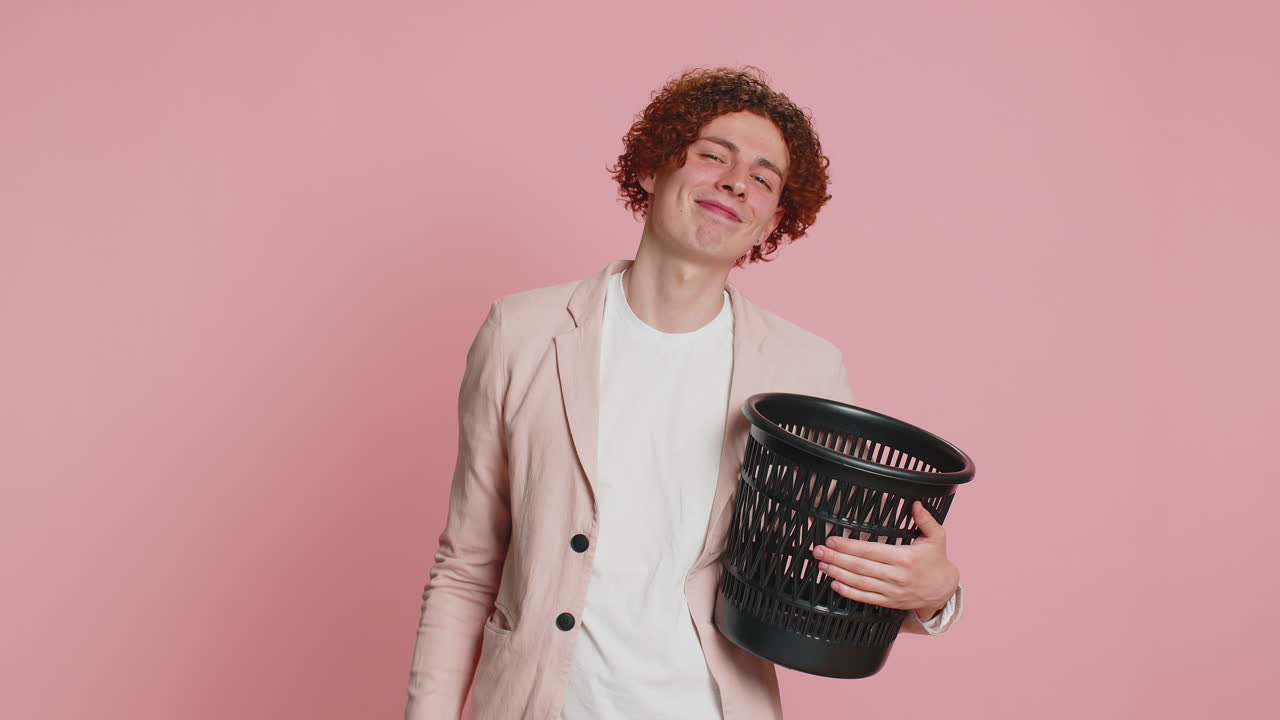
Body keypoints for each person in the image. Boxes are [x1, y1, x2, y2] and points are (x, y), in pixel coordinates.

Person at [405, 66, 964, 720]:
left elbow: (823, 581)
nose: (735, 181)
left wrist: (933, 595)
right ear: (651, 168)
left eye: (762, 177)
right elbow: (467, 569)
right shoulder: (521, 334)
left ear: (771, 221)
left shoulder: (805, 371)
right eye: (711, 156)